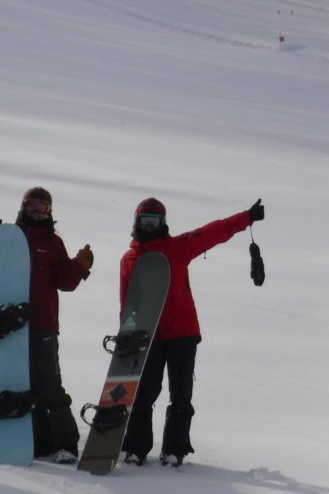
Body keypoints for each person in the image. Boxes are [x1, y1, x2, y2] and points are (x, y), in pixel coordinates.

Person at [120, 196, 265, 467]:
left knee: (181, 395)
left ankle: (174, 449)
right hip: (149, 336)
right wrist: (126, 332)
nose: (149, 227)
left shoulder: (177, 248)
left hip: (182, 334)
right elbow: (126, 301)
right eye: (145, 222)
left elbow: (211, 232)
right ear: (137, 223)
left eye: (154, 222)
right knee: (144, 395)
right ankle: (135, 448)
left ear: (162, 223)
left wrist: (246, 217)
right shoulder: (129, 259)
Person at [0, 187, 93, 463]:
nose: (36, 210)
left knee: (49, 384)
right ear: (23, 207)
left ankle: (65, 443)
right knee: (22, 382)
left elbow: (65, 282)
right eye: (31, 205)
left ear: (49, 211)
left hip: (43, 323)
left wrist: (80, 265)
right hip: (11, 325)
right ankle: (39, 442)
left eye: (41, 207)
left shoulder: (53, 242)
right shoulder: (12, 237)